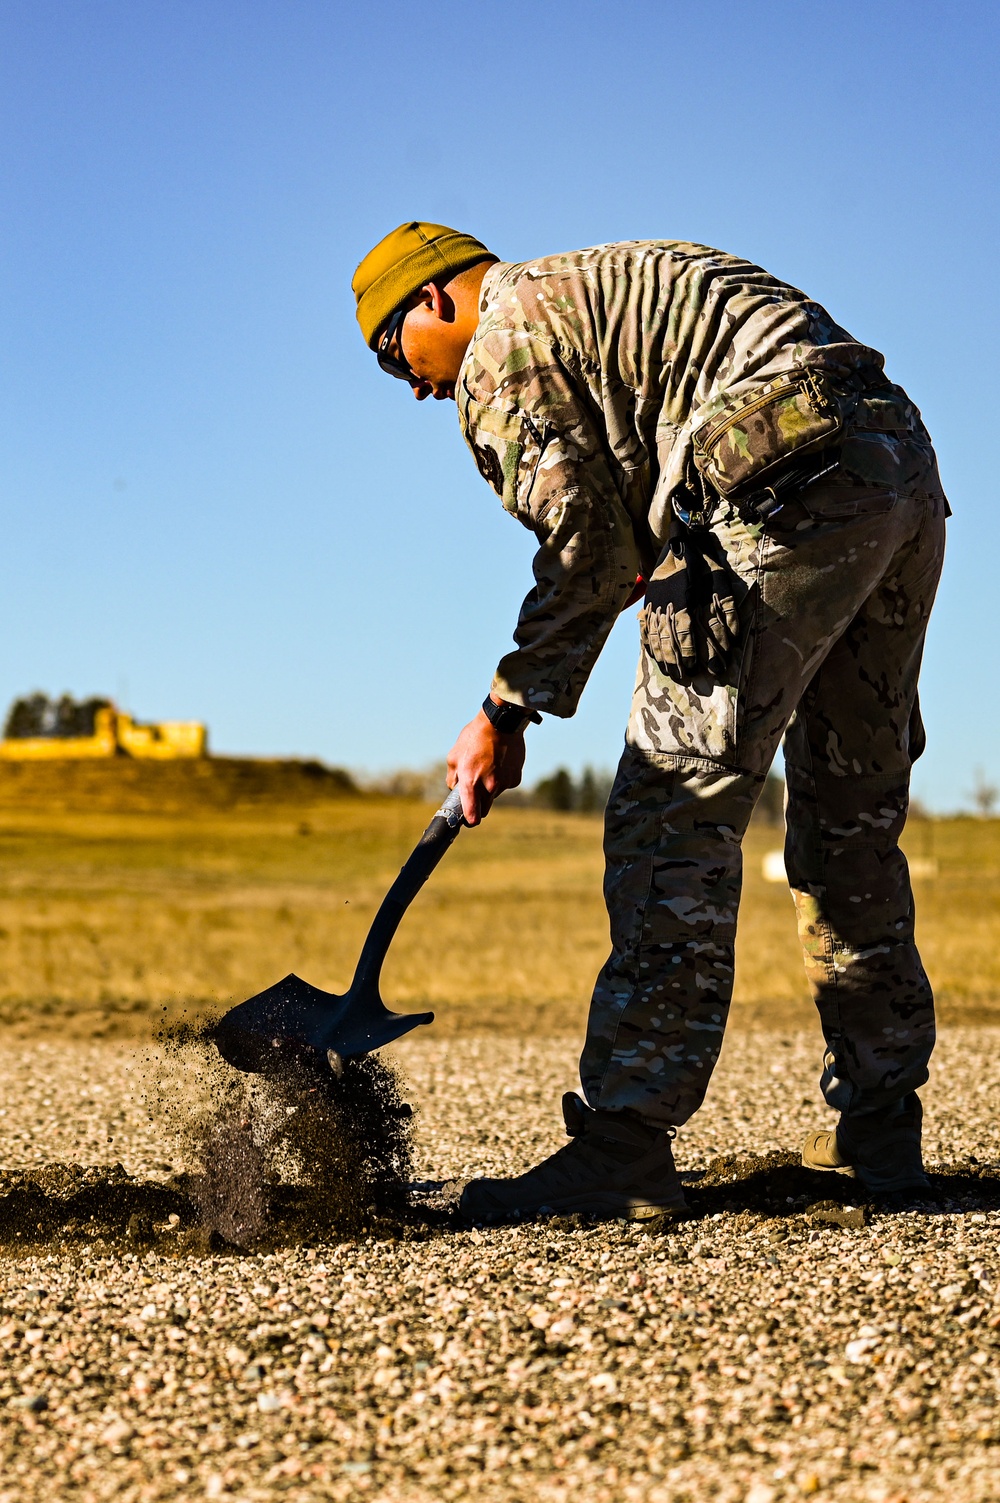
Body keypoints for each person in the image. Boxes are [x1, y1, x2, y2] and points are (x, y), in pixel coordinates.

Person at [352, 222, 948, 1223]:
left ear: (433, 300)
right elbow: (623, 542)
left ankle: (624, 1143)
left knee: (671, 815)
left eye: (392, 357)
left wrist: (509, 705)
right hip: (894, 466)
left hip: (773, 472)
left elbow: (585, 550)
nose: (414, 389)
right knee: (848, 822)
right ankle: (878, 1130)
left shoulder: (505, 335)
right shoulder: (601, 290)